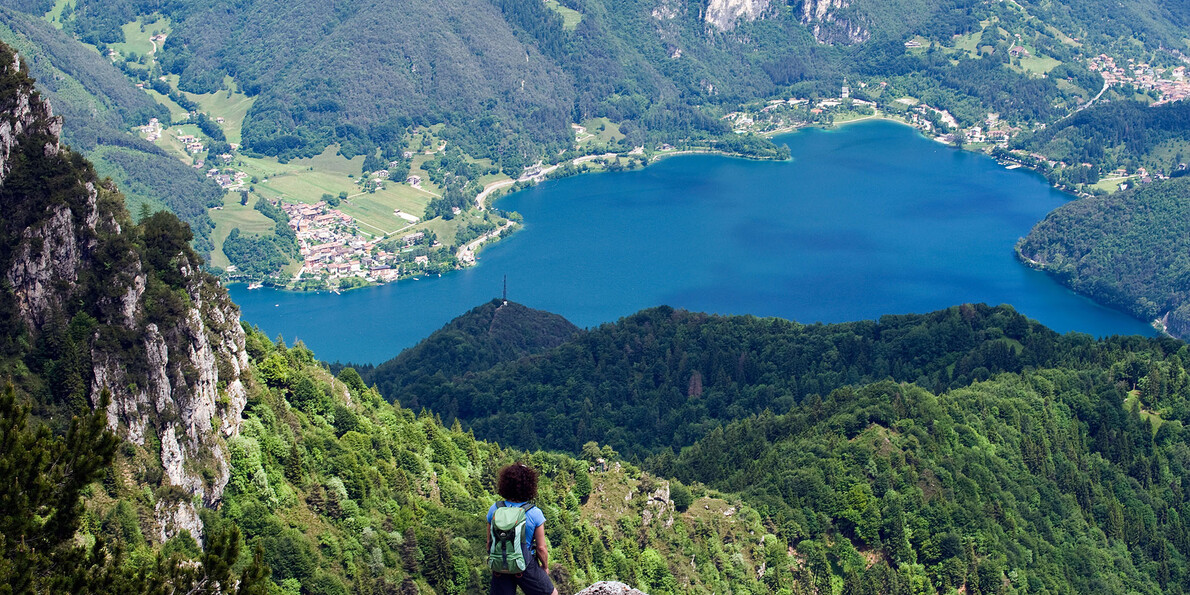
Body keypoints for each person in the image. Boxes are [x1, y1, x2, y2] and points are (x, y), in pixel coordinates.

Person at [487, 463, 558, 595]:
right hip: (525, 565)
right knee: (551, 593)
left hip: (499, 564)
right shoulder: (534, 513)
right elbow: (541, 548)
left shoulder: (495, 509)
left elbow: (489, 543)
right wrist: (545, 566)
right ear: (529, 486)